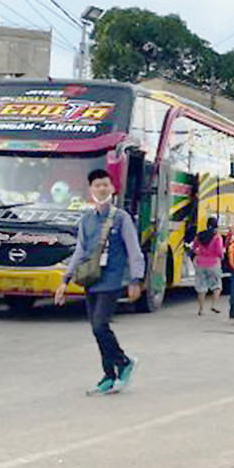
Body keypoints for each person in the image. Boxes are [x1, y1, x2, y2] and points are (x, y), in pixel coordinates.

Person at [54, 169, 145, 394]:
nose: (101, 189)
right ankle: (109, 375)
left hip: (112, 280)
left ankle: (124, 362)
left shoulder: (121, 218)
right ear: (91, 189)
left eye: (105, 185)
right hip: (91, 280)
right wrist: (65, 279)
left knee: (100, 325)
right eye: (97, 185)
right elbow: (80, 251)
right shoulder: (86, 218)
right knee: (97, 330)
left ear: (112, 188)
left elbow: (134, 250)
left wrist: (135, 279)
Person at [192, 217, 224, 316]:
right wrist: (221, 257)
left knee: (201, 287)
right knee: (217, 285)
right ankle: (214, 305)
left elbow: (193, 248)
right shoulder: (217, 237)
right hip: (213, 263)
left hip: (200, 263)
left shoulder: (199, 235)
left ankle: (201, 309)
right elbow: (219, 251)